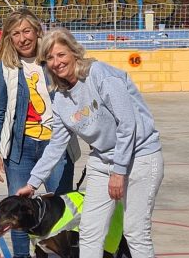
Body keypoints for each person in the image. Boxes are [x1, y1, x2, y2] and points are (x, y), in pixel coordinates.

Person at [17, 27, 164, 257]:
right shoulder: (61, 99)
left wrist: (119, 171)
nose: (57, 62)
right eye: (50, 58)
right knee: (89, 232)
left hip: (140, 156)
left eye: (61, 54)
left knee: (135, 232)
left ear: (74, 52)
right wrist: (33, 183)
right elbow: (56, 145)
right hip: (102, 160)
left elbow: (128, 124)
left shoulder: (100, 75)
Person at [0, 8, 78, 258]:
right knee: (16, 213)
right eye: (15, 33)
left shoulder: (52, 60)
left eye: (26, 31)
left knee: (62, 211)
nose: (22, 38)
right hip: (20, 149)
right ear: (8, 37)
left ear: (38, 31)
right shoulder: (6, 66)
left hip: (56, 145)